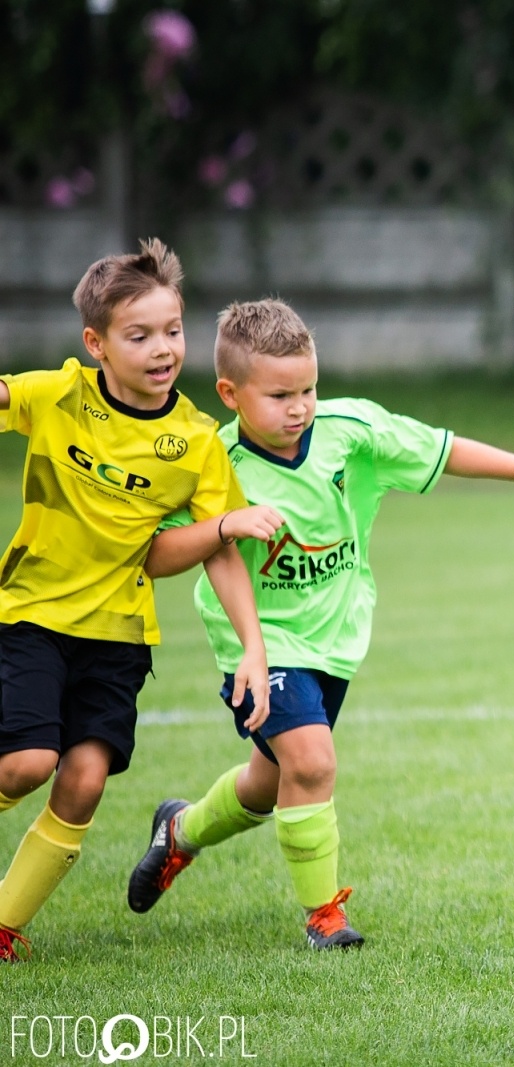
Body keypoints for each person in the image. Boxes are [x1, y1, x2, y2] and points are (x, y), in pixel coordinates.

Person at [126, 298, 514, 949]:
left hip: (335, 638)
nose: (300, 407)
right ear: (230, 393)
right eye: (280, 395)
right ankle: (324, 916)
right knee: (312, 761)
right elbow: (158, 552)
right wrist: (223, 525)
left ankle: (181, 831)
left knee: (267, 783)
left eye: (308, 389)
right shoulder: (213, 462)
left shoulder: (351, 430)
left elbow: (440, 447)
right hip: (259, 644)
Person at [0, 240, 271, 962]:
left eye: (173, 331)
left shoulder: (195, 441)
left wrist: (253, 646)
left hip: (118, 635)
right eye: (139, 335)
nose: (162, 349)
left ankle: (3, 926)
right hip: (30, 613)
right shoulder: (60, 395)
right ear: (96, 344)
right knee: (26, 763)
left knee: (85, 780)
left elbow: (215, 549)